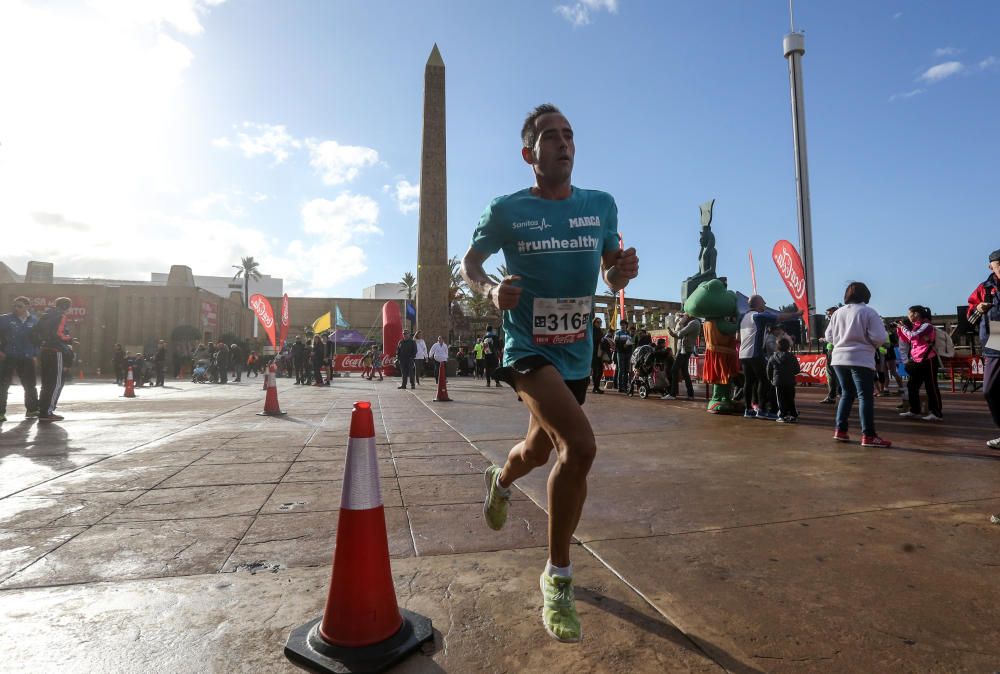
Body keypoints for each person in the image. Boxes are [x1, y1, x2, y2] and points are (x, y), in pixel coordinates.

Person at [461, 103, 639, 642]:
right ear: (528, 154)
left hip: (577, 353)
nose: (563, 142)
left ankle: (501, 479)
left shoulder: (600, 205)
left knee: (537, 452)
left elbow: (612, 268)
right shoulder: (506, 211)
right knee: (579, 447)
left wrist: (620, 271)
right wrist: (489, 289)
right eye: (550, 136)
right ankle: (557, 576)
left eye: (569, 134)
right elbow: (470, 263)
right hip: (526, 348)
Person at [825, 282, 891, 447]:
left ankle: (840, 430)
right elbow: (879, 337)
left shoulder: (837, 313)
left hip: (839, 359)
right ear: (866, 295)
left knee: (846, 394)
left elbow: (829, 337)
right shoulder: (869, 312)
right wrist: (869, 344)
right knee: (865, 396)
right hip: (861, 358)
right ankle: (868, 435)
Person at [739, 296, 802, 419]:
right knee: (765, 381)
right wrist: (796, 314)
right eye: (763, 301)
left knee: (749, 382)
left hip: (743, 354)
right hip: (754, 353)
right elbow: (779, 317)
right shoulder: (757, 315)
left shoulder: (744, 317)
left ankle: (748, 409)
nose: (765, 303)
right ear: (757, 304)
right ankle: (762, 410)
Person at [967, 249, 1000, 449]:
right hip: (997, 335)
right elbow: (969, 318)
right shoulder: (984, 288)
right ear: (991, 267)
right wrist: (978, 308)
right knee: (990, 390)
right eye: (999, 265)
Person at [897, 305, 943, 421]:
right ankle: (914, 410)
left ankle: (936, 413)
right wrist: (900, 329)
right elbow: (908, 339)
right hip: (918, 360)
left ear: (916, 314)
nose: (908, 316)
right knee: (912, 385)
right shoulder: (915, 327)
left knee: (931, 386)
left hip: (929, 360)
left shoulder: (927, 326)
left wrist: (903, 328)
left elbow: (913, 336)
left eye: (909, 313)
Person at [0, 296, 40, 421]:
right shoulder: (5, 319)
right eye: (15, 306)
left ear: (28, 307)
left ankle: (32, 410)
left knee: (30, 385)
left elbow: (37, 339)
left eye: (20, 306)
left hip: (26, 357)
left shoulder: (34, 320)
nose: (16, 308)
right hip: (8, 356)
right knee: (3, 385)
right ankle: (1, 413)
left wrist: (34, 354)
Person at [35, 297, 74, 422]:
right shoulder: (60, 316)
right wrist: (69, 339)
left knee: (46, 383)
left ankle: (42, 409)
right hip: (56, 351)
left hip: (45, 350)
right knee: (56, 383)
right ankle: (48, 411)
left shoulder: (46, 315)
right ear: (66, 307)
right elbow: (59, 334)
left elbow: (36, 332)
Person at [664, 312, 700, 400]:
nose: (684, 315)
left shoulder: (694, 323)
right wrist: (673, 331)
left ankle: (673, 393)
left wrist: (680, 323)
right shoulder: (692, 323)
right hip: (684, 349)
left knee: (674, 369)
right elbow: (677, 335)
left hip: (685, 350)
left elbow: (680, 334)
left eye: (686, 314)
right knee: (684, 372)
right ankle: (690, 394)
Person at [767, 337, 800, 422]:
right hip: (790, 381)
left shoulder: (773, 357)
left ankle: (782, 415)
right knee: (790, 399)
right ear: (788, 346)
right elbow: (797, 370)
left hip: (778, 382)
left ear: (777, 346)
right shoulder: (792, 356)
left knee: (780, 399)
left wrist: (771, 379)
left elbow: (769, 370)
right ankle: (793, 415)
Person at [819, 306, 842, 404]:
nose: (828, 315)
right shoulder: (843, 320)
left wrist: (827, 340)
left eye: (830, 313)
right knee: (840, 373)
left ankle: (832, 396)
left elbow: (829, 336)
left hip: (833, 350)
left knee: (832, 373)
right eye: (827, 313)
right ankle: (841, 393)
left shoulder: (835, 321)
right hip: (839, 349)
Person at [613, 319, 632, 393]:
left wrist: (628, 345)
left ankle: (625, 386)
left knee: (626, 370)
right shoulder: (617, 333)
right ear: (620, 325)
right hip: (620, 353)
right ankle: (620, 387)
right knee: (621, 370)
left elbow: (630, 342)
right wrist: (622, 346)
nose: (623, 326)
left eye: (624, 324)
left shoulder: (628, 333)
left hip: (628, 353)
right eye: (622, 324)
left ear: (626, 325)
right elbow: (615, 344)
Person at [590, 317, 607, 394]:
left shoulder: (600, 331)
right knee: (596, 370)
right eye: (598, 322)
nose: (599, 323)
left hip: (600, 352)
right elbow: (593, 340)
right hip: (593, 353)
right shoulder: (591, 330)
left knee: (599, 370)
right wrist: (601, 339)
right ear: (594, 322)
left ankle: (596, 387)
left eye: (600, 322)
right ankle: (595, 387)